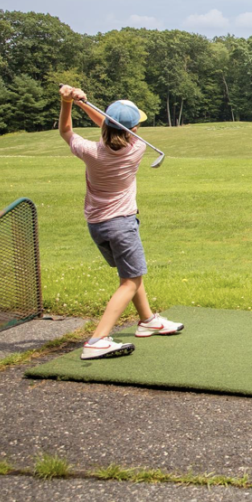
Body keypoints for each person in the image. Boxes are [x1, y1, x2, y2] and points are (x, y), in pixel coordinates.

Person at [59, 85, 184, 360]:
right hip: (122, 225)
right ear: (133, 131)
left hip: (97, 225)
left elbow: (67, 132)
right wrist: (81, 103)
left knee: (131, 274)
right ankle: (98, 339)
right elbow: (111, 127)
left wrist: (69, 102)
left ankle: (148, 321)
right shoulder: (136, 148)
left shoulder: (90, 151)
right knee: (129, 281)